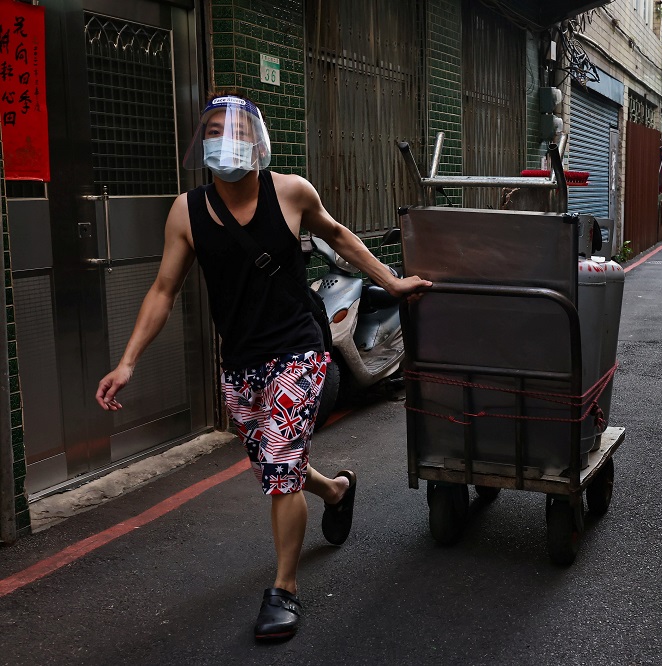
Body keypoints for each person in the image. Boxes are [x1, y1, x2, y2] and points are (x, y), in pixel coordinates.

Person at [94, 92, 431, 641]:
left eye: (239, 132)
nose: (228, 143)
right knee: (278, 470)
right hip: (242, 363)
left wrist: (392, 281)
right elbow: (163, 289)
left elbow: (338, 235)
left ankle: (284, 591)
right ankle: (337, 491)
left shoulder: (292, 191)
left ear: (259, 141)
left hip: (299, 348)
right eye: (215, 132)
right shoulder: (187, 211)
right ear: (201, 144)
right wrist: (128, 360)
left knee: (278, 461)